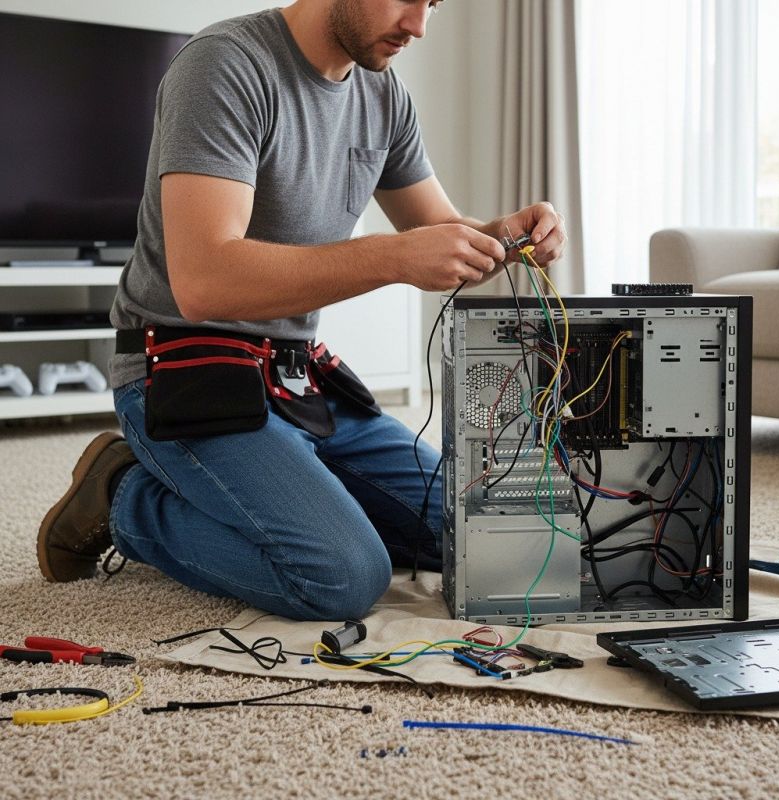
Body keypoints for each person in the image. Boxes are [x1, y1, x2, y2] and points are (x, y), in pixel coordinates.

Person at [37, 0, 567, 621]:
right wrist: (392, 257)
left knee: (487, 535)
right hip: (183, 372)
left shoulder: (383, 93)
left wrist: (504, 235)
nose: (418, 26)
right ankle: (123, 498)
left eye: (432, 3)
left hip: (299, 379)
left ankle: (296, 497)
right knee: (342, 577)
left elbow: (440, 228)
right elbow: (202, 282)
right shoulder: (224, 64)